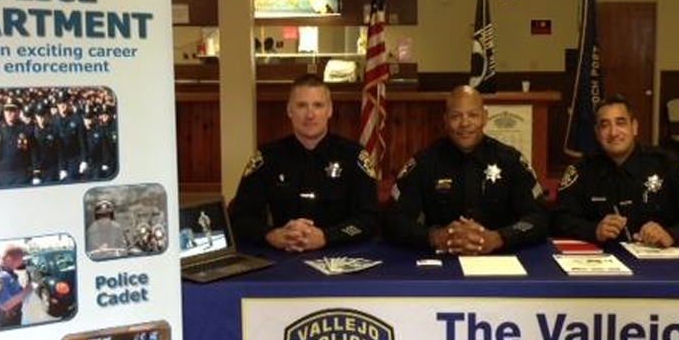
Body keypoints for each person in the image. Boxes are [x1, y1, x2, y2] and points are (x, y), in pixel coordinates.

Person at [384, 85, 548, 253]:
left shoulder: (510, 161)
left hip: (501, 260)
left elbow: (538, 218)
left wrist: (499, 238)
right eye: (456, 116)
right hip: (440, 262)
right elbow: (394, 220)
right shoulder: (424, 163)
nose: (464, 123)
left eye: (473, 115)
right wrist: (435, 237)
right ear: (446, 120)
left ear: (485, 118)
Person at [230, 74, 379, 251]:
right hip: (282, 258)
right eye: (301, 105)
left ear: (330, 110)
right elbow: (239, 217)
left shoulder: (354, 156)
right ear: (289, 110)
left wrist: (326, 237)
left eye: (318, 105)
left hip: (340, 255)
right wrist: (271, 235)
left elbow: (370, 219)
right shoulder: (268, 157)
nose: (310, 114)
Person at [551, 95, 679, 247]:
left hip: (659, 265)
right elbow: (558, 220)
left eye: (620, 123)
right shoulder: (581, 170)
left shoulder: (668, 164)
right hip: (606, 265)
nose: (613, 133)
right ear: (597, 133)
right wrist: (593, 230)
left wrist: (671, 234)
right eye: (605, 125)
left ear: (634, 127)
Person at [0, 243, 31, 329]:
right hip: (8, 322)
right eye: (19, 260)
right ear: (9, 259)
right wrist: (27, 290)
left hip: (13, 316)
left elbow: (13, 290)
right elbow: (5, 305)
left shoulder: (6, 271)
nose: (21, 263)